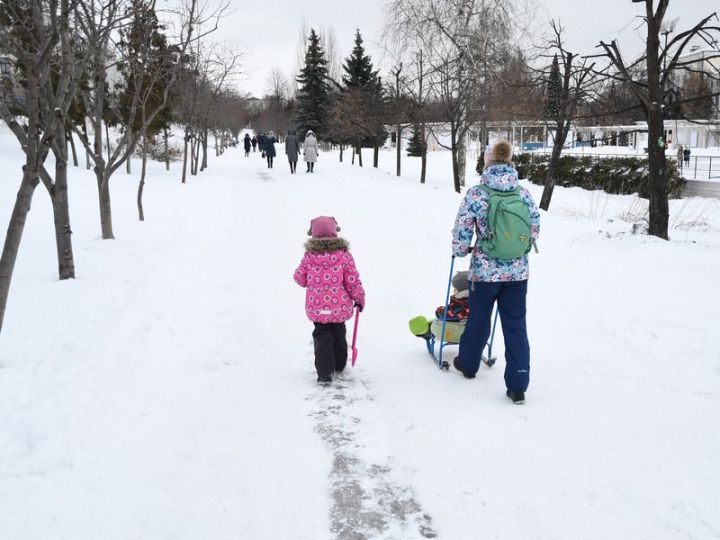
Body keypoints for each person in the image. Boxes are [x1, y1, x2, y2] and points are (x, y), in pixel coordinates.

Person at [451, 140, 540, 405]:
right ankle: (518, 384)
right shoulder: (522, 192)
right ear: (510, 161)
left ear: (487, 162)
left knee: (479, 318)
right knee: (515, 325)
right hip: (517, 273)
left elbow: (463, 226)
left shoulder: (477, 193)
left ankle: (468, 365)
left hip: (485, 272)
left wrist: (460, 249)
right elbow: (533, 228)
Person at [293, 216, 365, 384]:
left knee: (321, 337)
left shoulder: (309, 257)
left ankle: (324, 373)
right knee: (339, 333)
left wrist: (308, 277)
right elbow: (352, 280)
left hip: (318, 308)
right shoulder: (344, 256)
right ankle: (339, 366)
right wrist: (359, 298)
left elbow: (300, 279)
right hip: (339, 308)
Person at [409, 271, 470, 342]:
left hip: (460, 333)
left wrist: (439, 310)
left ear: (462, 290)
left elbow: (446, 315)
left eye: (455, 289)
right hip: (474, 331)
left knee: (435, 325)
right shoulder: (476, 302)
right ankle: (428, 329)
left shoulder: (461, 304)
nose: (453, 291)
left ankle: (427, 332)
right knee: (437, 321)